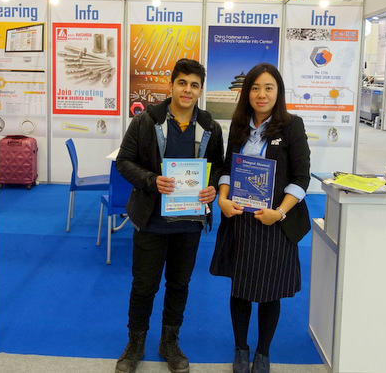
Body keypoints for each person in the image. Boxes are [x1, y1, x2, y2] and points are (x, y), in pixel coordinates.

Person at [114, 58, 225, 373]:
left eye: (194, 85)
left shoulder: (211, 127)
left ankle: (169, 342)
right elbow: (124, 161)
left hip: (189, 222)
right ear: (171, 84)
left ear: (200, 90)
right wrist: (151, 180)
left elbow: (218, 167)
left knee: (179, 284)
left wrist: (213, 187)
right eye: (182, 83)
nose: (187, 90)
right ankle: (135, 343)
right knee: (144, 285)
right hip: (151, 220)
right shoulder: (146, 121)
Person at [209, 63, 311, 373]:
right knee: (240, 287)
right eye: (255, 88)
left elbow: (301, 178)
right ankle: (241, 348)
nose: (261, 94)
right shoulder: (239, 126)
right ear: (246, 93)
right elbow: (227, 168)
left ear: (278, 92)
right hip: (240, 220)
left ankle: (263, 351)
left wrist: (279, 213)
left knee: (270, 290)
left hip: (274, 222)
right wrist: (222, 199)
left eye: (268, 88)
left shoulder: (292, 126)